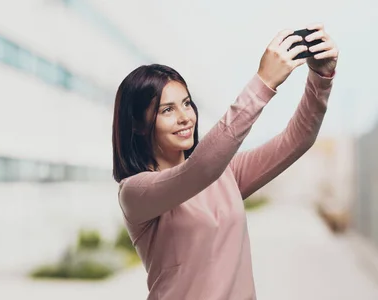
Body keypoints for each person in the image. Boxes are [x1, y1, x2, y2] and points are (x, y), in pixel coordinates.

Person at [111, 23, 338, 300]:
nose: (185, 117)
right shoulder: (135, 192)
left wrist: (321, 77)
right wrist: (263, 83)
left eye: (186, 103)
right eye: (167, 110)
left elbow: (298, 138)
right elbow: (199, 171)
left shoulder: (224, 174)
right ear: (138, 125)